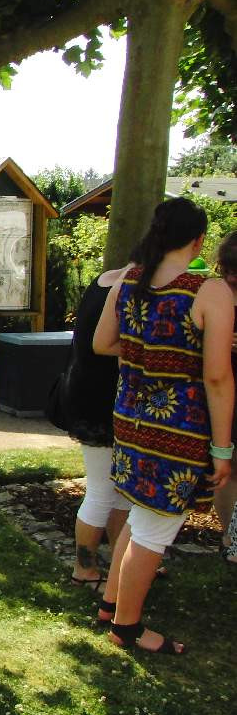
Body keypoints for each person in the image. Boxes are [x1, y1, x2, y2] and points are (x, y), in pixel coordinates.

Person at [92, 197, 233, 654]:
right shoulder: (208, 291)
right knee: (154, 529)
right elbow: (217, 377)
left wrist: (149, 354)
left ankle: (111, 605)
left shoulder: (127, 281)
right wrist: (223, 450)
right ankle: (127, 628)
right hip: (178, 430)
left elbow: (102, 343)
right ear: (198, 240)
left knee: (141, 516)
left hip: (131, 420)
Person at [63, 266, 131, 589]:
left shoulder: (107, 279)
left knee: (119, 492)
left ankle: (121, 560)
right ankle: (84, 568)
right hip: (100, 404)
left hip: (95, 398)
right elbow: (102, 344)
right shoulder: (129, 287)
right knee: (102, 491)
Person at [213, 229, 237, 565]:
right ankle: (229, 535)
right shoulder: (213, 292)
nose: (231, 278)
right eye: (227, 270)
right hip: (222, 391)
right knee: (226, 468)